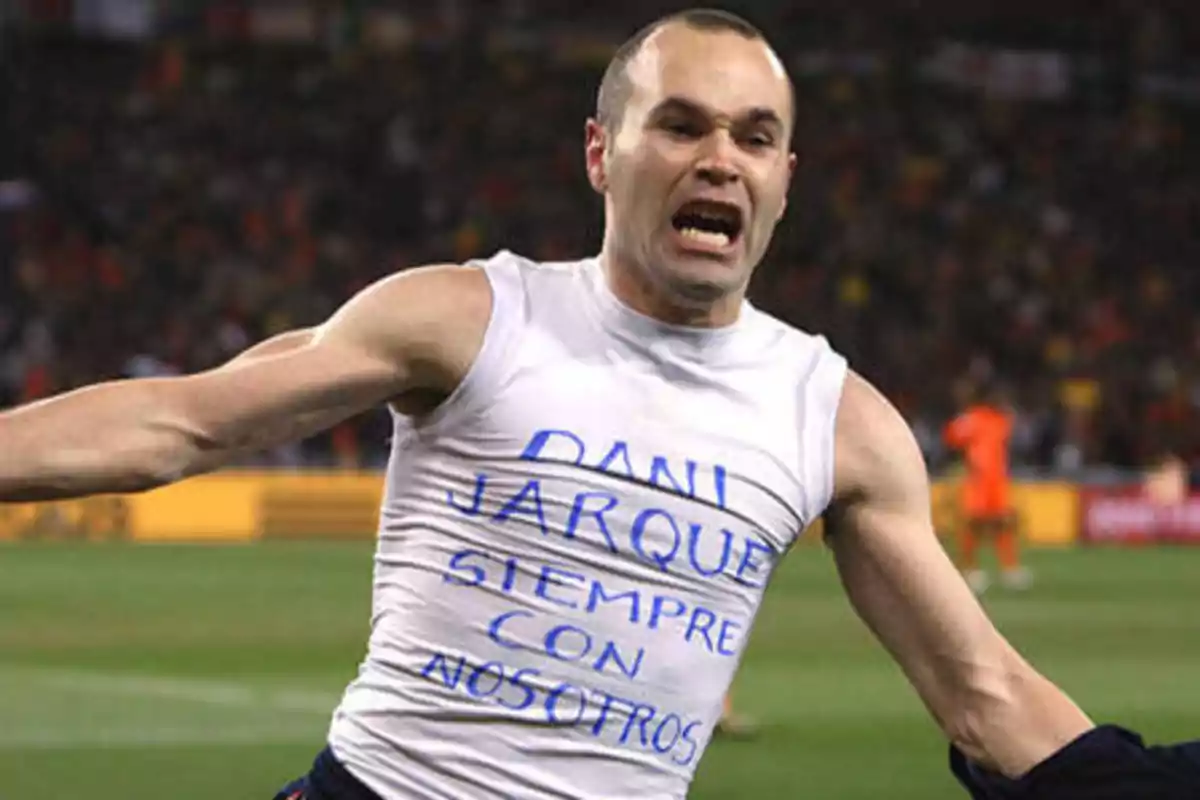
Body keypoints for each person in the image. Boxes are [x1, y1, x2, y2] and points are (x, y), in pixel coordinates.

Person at [10, 7, 1190, 799]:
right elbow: (182, 421)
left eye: (755, 135)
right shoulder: (468, 317)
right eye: (679, 123)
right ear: (600, 151)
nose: (719, 156)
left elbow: (988, 699)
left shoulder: (836, 418)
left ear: (786, 178)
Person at [943, 379, 1032, 594]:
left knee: (1002, 522)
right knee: (973, 524)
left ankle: (1009, 568)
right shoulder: (972, 418)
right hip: (978, 480)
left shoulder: (1001, 420)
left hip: (997, 480)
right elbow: (951, 437)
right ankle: (971, 569)